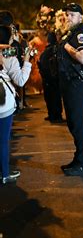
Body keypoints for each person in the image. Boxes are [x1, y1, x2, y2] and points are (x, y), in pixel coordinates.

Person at [57, 3, 83, 176]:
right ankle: (79, 159)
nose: (68, 18)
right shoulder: (71, 34)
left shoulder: (81, 35)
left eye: (72, 15)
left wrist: (67, 47)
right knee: (73, 123)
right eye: (67, 15)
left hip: (77, 84)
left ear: (80, 17)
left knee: (78, 124)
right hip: (70, 84)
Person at [0, 13, 33, 184]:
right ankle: (4, 174)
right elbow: (20, 80)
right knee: (3, 140)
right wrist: (27, 60)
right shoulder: (9, 54)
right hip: (3, 103)